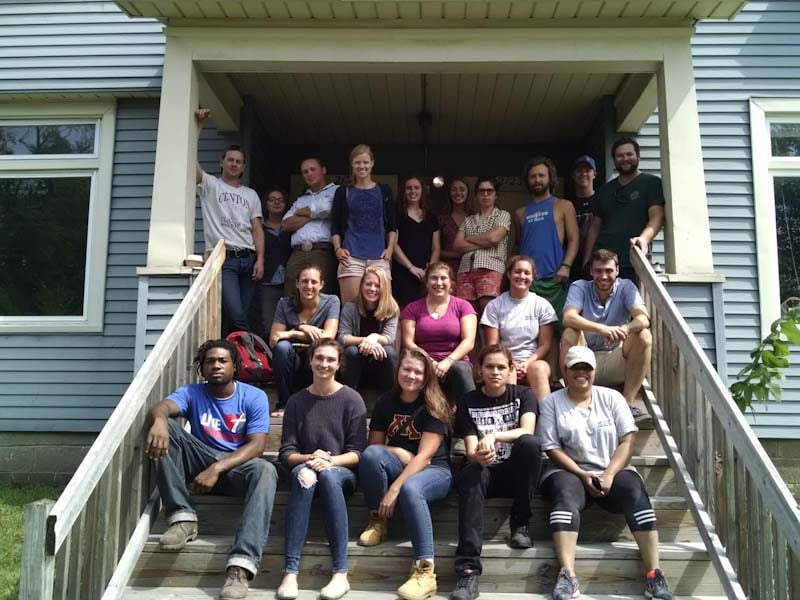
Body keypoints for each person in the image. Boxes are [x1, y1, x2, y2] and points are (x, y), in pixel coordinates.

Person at [538, 346, 674, 600]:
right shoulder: (551, 403)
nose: (581, 372)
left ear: (594, 372)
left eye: (586, 368)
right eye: (575, 367)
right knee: (564, 492)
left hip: (611, 470)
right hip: (568, 471)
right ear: (564, 371)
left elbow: (627, 441)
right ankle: (567, 575)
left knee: (634, 490)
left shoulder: (612, 397)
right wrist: (581, 473)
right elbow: (551, 447)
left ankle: (655, 574)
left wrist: (610, 474)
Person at [145, 339, 277, 600]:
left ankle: (240, 566)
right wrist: (159, 419)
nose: (216, 365)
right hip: (201, 461)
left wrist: (217, 468)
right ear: (202, 368)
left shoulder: (253, 396)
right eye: (210, 361)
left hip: (235, 467)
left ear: (235, 367)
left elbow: (257, 446)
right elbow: (162, 406)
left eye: (222, 361)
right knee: (168, 427)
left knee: (265, 470)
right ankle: (182, 518)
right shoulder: (192, 392)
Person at [357, 348, 453, 600]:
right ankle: (378, 519)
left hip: (435, 471)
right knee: (370, 457)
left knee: (411, 488)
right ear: (398, 370)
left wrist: (394, 488)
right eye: (406, 369)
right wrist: (397, 450)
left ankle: (425, 571)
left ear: (427, 377)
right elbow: (374, 447)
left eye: (418, 372)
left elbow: (425, 457)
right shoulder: (385, 402)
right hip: (403, 465)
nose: (411, 375)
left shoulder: (434, 403)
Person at [449, 345, 543, 600]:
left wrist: (493, 435)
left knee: (531, 445)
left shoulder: (524, 394)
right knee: (470, 471)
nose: (495, 372)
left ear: (511, 369)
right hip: (485, 474)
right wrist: (479, 455)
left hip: (516, 474)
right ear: (479, 370)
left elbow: (527, 430)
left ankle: (520, 524)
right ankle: (468, 570)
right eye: (489, 366)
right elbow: (469, 450)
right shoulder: (468, 401)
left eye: (501, 367)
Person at [276, 339, 367, 600]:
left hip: (340, 473)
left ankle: (340, 573)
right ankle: (290, 572)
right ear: (310, 361)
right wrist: (310, 458)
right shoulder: (296, 401)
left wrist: (330, 462)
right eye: (319, 358)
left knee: (326, 476)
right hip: (306, 467)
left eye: (330, 359)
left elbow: (358, 452)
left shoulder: (352, 399)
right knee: (305, 475)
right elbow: (286, 453)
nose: (324, 364)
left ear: (339, 364)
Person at [194, 109, 264, 333]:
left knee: (238, 315)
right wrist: (198, 128)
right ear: (222, 163)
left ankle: (233, 357)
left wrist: (260, 259)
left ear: (243, 167)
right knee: (237, 314)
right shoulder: (210, 186)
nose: (234, 164)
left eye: (239, 162)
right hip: (226, 261)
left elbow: (257, 229)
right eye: (230, 160)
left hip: (248, 259)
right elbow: (189, 162)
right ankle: (248, 353)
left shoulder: (251, 194)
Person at [561, 249, 652, 419]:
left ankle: (627, 405)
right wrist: (602, 328)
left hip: (615, 359)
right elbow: (568, 317)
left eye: (609, 271)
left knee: (644, 335)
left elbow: (643, 318)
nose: (603, 276)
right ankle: (572, 400)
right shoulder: (580, 286)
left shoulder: (626, 287)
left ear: (617, 270)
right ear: (591, 271)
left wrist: (625, 328)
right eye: (598, 271)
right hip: (584, 358)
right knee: (569, 332)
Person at [583, 137, 665, 282]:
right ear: (614, 160)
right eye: (620, 156)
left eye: (629, 154)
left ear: (638, 156)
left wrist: (643, 239)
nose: (625, 159)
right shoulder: (604, 190)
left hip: (632, 260)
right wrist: (587, 259)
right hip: (603, 263)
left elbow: (657, 216)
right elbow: (595, 227)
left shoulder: (651, 183)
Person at [481, 255, 557, 401]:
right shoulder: (495, 306)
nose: (522, 276)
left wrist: (527, 364)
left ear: (533, 277)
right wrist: (512, 363)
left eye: (527, 273)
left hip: (534, 360)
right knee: (508, 372)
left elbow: (545, 344)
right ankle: (510, 419)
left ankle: (547, 420)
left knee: (538, 370)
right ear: (509, 274)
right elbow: (493, 345)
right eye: (517, 272)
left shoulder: (542, 305)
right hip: (503, 360)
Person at [514, 157, 579, 326]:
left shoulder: (564, 205)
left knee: (561, 328)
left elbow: (574, 239)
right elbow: (518, 245)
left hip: (555, 280)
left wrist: (566, 266)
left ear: (550, 178)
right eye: (533, 176)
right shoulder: (520, 213)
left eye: (541, 175)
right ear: (527, 180)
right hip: (529, 283)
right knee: (531, 331)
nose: (537, 180)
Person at [269, 264, 340, 417]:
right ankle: (284, 405)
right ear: (297, 283)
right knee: (281, 348)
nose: (309, 286)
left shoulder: (331, 302)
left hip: (316, 362)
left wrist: (291, 333)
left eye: (314, 282)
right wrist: (303, 328)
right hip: (291, 363)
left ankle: (318, 405)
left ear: (321, 285)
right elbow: (275, 338)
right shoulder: (284, 303)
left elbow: (328, 337)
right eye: (304, 281)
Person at [401, 262, 477, 403]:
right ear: (427, 282)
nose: (439, 283)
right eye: (434, 278)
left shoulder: (463, 306)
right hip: (423, 362)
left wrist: (447, 362)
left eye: (443, 278)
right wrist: (430, 362)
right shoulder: (412, 308)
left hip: (455, 363)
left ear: (451, 283)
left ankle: (471, 415)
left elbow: (469, 342)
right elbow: (408, 342)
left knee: (460, 369)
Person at [331, 144, 398, 303]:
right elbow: (335, 225)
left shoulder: (384, 190)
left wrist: (390, 249)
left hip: (379, 257)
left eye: (365, 162)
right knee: (351, 308)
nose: (362, 166)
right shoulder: (343, 191)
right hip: (351, 257)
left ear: (372, 163)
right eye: (357, 163)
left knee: (382, 307)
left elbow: (392, 225)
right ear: (352, 165)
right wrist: (338, 249)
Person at [452, 177, 511, 314]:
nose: (485, 194)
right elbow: (457, 245)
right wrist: (485, 243)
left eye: (489, 191)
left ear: (496, 195)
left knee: (488, 316)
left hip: (490, 269)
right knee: (467, 316)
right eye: (481, 191)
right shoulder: (469, 220)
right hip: (465, 270)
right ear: (477, 195)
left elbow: (493, 238)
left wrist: (469, 238)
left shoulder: (502, 215)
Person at [282, 157, 339, 295]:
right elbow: (285, 224)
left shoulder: (336, 191)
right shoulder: (301, 199)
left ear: (323, 170)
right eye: (305, 172)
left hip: (322, 252)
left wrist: (303, 213)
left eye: (313, 169)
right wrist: (314, 215)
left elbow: (329, 209)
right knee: (292, 296)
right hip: (297, 253)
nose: (309, 173)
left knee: (321, 297)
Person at [338, 266, 400, 390]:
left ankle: (388, 395)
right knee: (351, 351)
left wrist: (374, 337)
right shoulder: (350, 307)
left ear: (384, 288)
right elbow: (343, 337)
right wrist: (366, 341)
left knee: (389, 352)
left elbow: (389, 337)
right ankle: (349, 394)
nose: (372, 289)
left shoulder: (391, 309)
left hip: (379, 362)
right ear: (361, 286)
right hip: (356, 363)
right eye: (368, 284)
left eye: (377, 285)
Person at [392, 175, 441, 307]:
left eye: (416, 188)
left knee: (425, 311)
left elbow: (436, 248)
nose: (412, 191)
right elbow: (393, 244)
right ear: (403, 191)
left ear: (422, 190)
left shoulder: (431, 217)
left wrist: (430, 269)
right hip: (403, 271)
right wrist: (411, 267)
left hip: (425, 274)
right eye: (408, 188)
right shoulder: (397, 214)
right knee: (404, 312)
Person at [257, 186, 292, 333]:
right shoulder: (259, 228)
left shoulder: (291, 227)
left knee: (290, 321)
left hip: (289, 280)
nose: (276, 203)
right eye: (272, 200)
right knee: (268, 323)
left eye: (280, 200)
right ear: (266, 203)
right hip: (267, 281)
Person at [568, 155, 597, 281]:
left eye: (587, 170)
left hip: (597, 262)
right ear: (573, 175)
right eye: (579, 171)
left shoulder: (602, 200)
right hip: (572, 263)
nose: (583, 174)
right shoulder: (567, 204)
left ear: (594, 174)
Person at [438, 177, 472, 279]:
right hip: (447, 270)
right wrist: (457, 255)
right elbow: (436, 250)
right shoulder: (441, 219)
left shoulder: (475, 217)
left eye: (462, 189)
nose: (458, 193)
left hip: (470, 269)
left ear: (468, 193)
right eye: (454, 190)